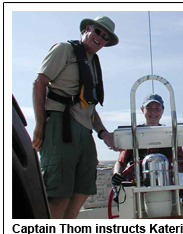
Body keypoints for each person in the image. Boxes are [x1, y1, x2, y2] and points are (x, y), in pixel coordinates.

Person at [32, 16, 119, 219]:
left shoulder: (93, 64)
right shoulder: (64, 49)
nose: (101, 38)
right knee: (58, 194)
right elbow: (39, 82)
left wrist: (104, 133)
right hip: (60, 126)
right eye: (98, 32)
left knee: (84, 187)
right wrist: (39, 126)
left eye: (106, 37)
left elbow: (89, 105)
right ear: (86, 29)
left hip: (84, 132)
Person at [112, 94, 183, 195]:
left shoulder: (171, 134)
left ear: (162, 110)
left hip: (167, 188)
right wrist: (117, 174)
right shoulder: (133, 134)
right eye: (149, 108)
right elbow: (121, 162)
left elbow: (180, 165)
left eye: (157, 108)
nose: (153, 112)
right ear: (142, 110)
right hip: (138, 189)